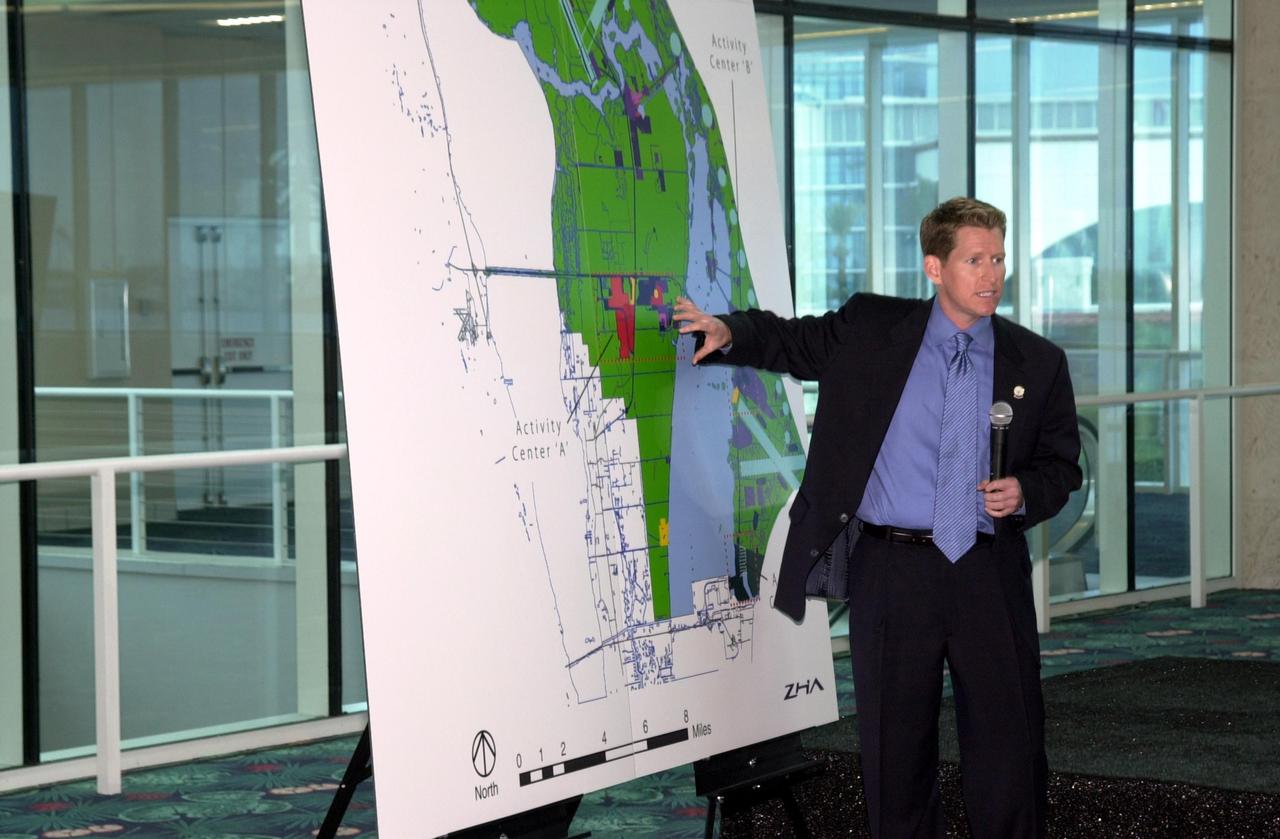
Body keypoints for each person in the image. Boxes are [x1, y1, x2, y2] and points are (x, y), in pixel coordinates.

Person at [672, 197, 1081, 838]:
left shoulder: (1038, 360)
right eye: (975, 260)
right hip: (892, 571)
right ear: (935, 267)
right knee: (895, 749)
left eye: (999, 259)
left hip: (988, 571)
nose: (992, 275)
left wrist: (1025, 491)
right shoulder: (872, 329)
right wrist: (729, 330)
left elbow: (1062, 465)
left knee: (1010, 744)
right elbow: (792, 340)